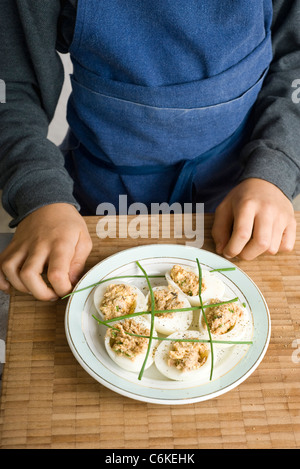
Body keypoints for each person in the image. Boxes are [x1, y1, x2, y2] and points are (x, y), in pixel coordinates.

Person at [0, 0, 299, 302]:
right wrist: (39, 194)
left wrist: (275, 169)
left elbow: (295, 56)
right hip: (95, 206)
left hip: (240, 203)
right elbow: (10, 85)